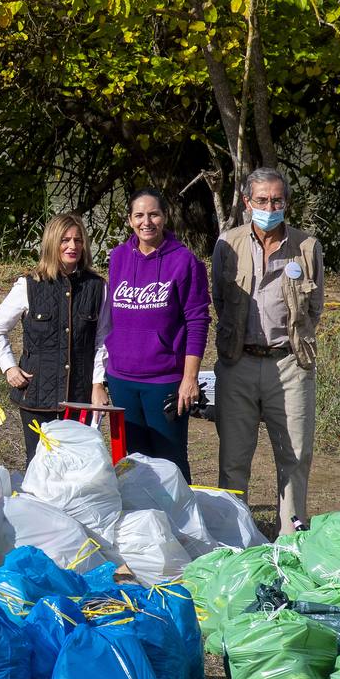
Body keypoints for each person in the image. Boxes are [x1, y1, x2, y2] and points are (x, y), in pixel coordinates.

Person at [212, 167, 324, 534]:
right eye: (261, 200)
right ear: (247, 202)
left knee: (294, 458)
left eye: (277, 200)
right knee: (233, 460)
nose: (269, 206)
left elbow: (315, 307)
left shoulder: (307, 246)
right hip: (237, 363)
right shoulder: (227, 244)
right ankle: (233, 540)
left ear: (286, 202)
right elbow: (219, 301)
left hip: (290, 364)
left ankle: (291, 543)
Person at [100, 187, 210, 482]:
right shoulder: (119, 257)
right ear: (129, 220)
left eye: (154, 214)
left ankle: (181, 526)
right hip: (122, 379)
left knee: (170, 463)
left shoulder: (184, 261)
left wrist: (189, 379)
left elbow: (198, 321)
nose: (146, 222)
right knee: (130, 462)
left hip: (164, 381)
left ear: (165, 217)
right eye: (139, 215)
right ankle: (142, 525)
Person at [0, 213, 109, 463]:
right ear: (52, 243)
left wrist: (98, 384)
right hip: (37, 399)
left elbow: (102, 340)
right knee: (40, 469)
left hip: (80, 398)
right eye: (65, 240)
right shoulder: (28, 285)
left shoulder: (97, 287)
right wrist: (9, 367)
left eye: (78, 240)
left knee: (77, 470)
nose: (72, 246)